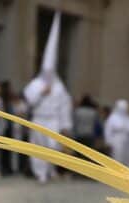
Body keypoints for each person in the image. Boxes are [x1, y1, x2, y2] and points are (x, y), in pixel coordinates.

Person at [23, 11, 73, 183]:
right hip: (38, 119)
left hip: (53, 121)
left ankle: (49, 170)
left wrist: (66, 126)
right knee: (38, 147)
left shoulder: (60, 88)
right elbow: (29, 102)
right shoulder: (35, 85)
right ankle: (40, 173)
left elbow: (64, 106)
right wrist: (41, 93)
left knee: (52, 146)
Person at [103, 99, 129, 169]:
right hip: (117, 140)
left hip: (128, 140)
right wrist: (108, 141)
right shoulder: (113, 118)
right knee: (117, 156)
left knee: (128, 157)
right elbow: (108, 130)